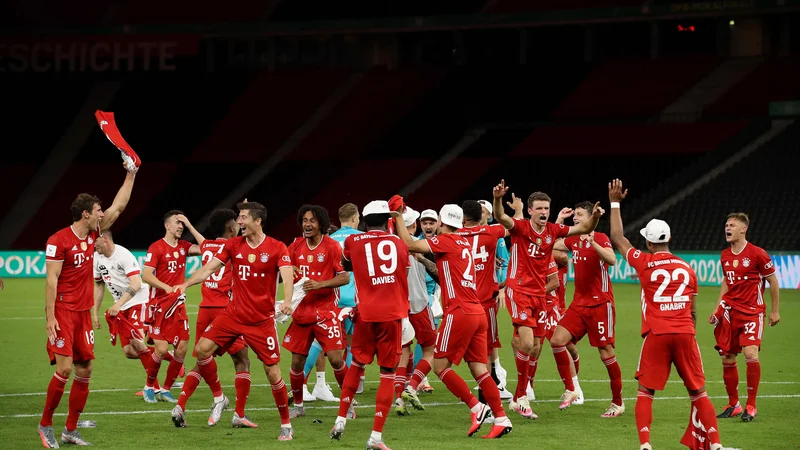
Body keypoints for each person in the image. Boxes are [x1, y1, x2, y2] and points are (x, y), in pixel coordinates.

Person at [607, 179, 730, 450]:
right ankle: (718, 445)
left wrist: (615, 202)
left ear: (649, 243)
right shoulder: (688, 269)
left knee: (645, 392)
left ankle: (646, 445)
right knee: (698, 392)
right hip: (685, 333)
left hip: (657, 334)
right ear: (670, 239)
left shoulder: (645, 262)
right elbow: (693, 311)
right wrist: (688, 332)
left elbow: (617, 238)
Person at [174, 201, 295, 440]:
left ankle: (286, 425)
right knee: (201, 350)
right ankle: (220, 398)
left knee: (273, 374)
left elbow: (287, 276)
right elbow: (208, 269)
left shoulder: (277, 247)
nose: (239, 222)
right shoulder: (233, 245)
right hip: (233, 315)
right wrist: (186, 283)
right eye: (238, 218)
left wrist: (288, 300)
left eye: (243, 217)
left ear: (258, 221)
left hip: (261, 322)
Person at [395, 204, 513, 439]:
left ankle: (476, 407)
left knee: (440, 366)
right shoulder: (463, 242)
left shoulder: (447, 240)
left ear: (442, 220)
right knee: (480, 369)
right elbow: (442, 271)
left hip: (459, 312)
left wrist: (397, 216)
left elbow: (409, 244)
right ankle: (500, 418)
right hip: (477, 311)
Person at [40, 167, 136, 448]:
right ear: (86, 213)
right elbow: (51, 280)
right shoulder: (58, 241)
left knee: (85, 370)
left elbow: (120, 205)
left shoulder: (94, 236)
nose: (102, 213)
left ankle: (71, 430)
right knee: (66, 369)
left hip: (83, 313)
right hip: (62, 313)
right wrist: (49, 318)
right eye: (97, 210)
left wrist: (130, 175)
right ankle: (45, 425)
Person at [492, 180, 602, 418]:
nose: (543, 212)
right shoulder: (520, 227)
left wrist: (594, 217)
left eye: (546, 208)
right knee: (529, 343)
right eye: (539, 208)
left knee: (534, 347)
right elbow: (501, 217)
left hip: (540, 295)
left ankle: (522, 394)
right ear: (530, 210)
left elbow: (583, 229)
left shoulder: (553, 230)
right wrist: (498, 199)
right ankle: (521, 396)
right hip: (518, 290)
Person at [330, 200, 411, 449]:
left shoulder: (353, 242)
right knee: (387, 373)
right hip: (392, 314)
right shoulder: (398, 242)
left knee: (356, 364)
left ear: (364, 220)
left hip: (365, 312)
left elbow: (345, 266)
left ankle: (341, 418)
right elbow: (403, 271)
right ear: (387, 219)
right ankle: (375, 437)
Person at [171, 209, 254, 428]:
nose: (238, 225)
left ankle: (180, 405)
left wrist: (189, 224)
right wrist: (248, 216)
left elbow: (202, 239)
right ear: (230, 227)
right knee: (242, 360)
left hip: (204, 309)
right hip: (225, 310)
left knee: (202, 359)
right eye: (236, 222)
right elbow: (250, 235)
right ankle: (238, 413)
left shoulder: (208, 246)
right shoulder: (234, 245)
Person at [552, 201, 623, 417]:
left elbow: (612, 260)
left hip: (600, 304)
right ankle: (571, 389)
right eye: (575, 215)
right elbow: (551, 244)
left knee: (606, 353)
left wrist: (593, 243)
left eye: (580, 215)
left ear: (590, 216)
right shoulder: (573, 240)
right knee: (557, 341)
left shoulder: (600, 237)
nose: (576, 218)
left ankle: (618, 403)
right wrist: (558, 222)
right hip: (579, 305)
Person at [711, 212, 780, 422]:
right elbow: (726, 281)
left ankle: (751, 405)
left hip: (752, 312)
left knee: (751, 353)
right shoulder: (725, 255)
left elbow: (773, 282)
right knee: (727, 357)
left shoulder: (758, 254)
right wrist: (717, 308)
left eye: (732, 224)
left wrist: (775, 310)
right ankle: (734, 405)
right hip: (731, 313)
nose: (727, 228)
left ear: (743, 229)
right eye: (726, 224)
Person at [285, 205, 350, 419]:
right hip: (302, 313)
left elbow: (345, 277)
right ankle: (299, 406)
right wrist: (287, 269)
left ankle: (348, 405)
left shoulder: (332, 247)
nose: (307, 224)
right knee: (296, 363)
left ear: (321, 223)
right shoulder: (295, 247)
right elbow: (283, 269)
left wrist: (320, 284)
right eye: (304, 220)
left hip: (325, 313)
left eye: (312, 220)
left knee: (336, 360)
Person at [457, 200, 518, 402]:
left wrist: (502, 286)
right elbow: (515, 224)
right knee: (486, 347)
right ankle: (491, 387)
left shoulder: (453, 236)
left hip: (465, 301)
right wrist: (517, 210)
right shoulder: (493, 233)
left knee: (482, 348)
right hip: (483, 300)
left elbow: (505, 262)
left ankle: (492, 385)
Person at [141, 211, 204, 403]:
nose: (180, 226)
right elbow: (146, 275)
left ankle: (166, 389)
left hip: (178, 306)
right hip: (159, 305)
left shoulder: (184, 247)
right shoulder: (157, 247)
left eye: (182, 224)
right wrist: (167, 287)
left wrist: (191, 225)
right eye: (177, 223)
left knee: (182, 349)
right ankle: (149, 386)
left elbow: (207, 248)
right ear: (167, 226)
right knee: (160, 349)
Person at [395, 207, 438, 415]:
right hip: (420, 304)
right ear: (414, 225)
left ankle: (398, 400)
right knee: (431, 350)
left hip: (398, 307)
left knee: (404, 354)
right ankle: (412, 387)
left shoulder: (391, 245)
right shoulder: (422, 246)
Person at [477, 199, 511, 393]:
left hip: (490, 292)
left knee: (488, 336)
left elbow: (504, 263)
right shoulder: (468, 234)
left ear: (489, 215)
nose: (480, 214)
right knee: (483, 336)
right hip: (474, 293)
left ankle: (496, 374)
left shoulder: (495, 237)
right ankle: (489, 375)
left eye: (483, 211)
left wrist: (502, 288)